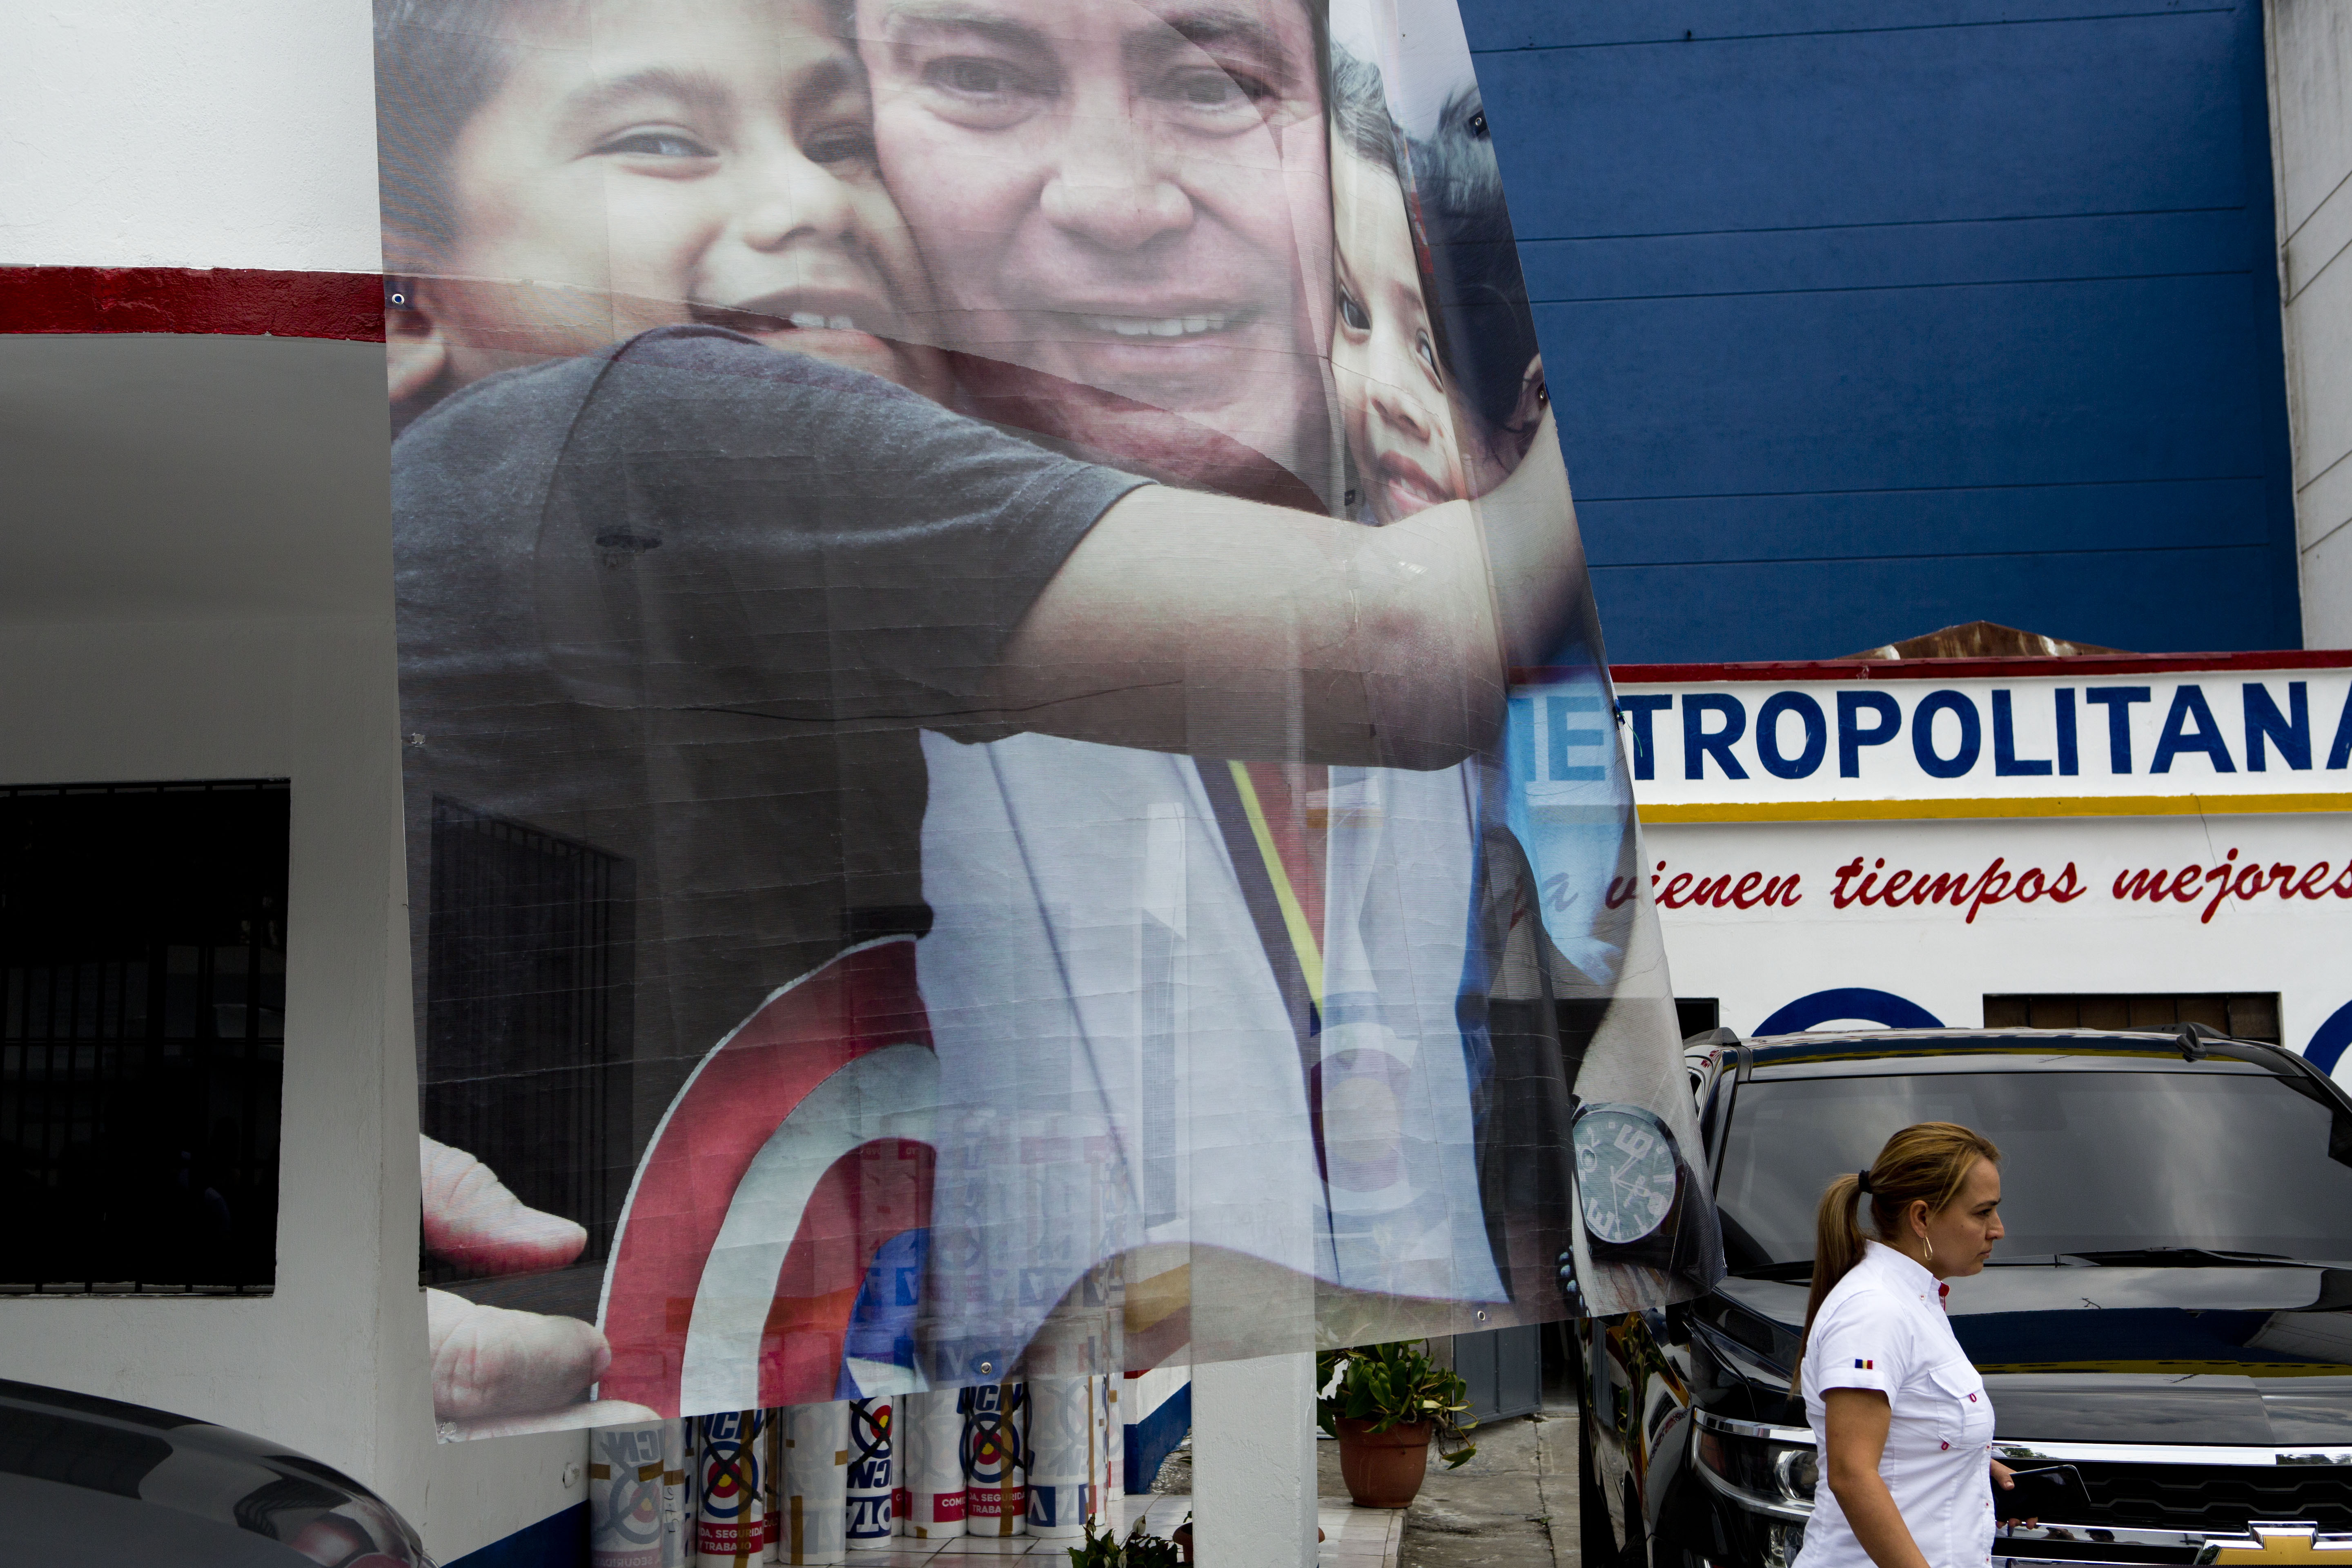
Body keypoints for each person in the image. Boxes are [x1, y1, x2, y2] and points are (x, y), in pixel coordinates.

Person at [374, 0, 1585, 1425]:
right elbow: (1417, 631)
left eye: (839, 139)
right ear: (403, 297)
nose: (803, 201)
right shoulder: (663, 431)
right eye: (657, 140)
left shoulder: (827, 610)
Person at [1796, 1123, 2019, 1568]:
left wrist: (1972, 1464)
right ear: (1921, 1218)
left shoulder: (1912, 1300)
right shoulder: (1874, 1311)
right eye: (1982, 1213)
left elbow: (1908, 1431)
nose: (1998, 1230)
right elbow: (1851, 1474)